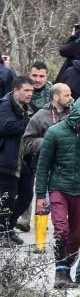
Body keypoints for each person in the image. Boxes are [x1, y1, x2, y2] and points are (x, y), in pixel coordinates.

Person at [34, 95, 80, 289]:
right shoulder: (54, 133)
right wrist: (39, 196)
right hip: (59, 188)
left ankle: (66, 269)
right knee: (61, 229)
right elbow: (43, 165)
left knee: (75, 234)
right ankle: (59, 273)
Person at [0, 75, 34, 246]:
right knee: (7, 199)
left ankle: (8, 227)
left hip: (23, 160)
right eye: (26, 90)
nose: (29, 94)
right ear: (15, 91)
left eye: (31, 91)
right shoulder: (5, 105)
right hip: (6, 160)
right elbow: (6, 127)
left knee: (27, 195)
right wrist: (29, 123)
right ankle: (3, 231)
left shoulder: (26, 107)